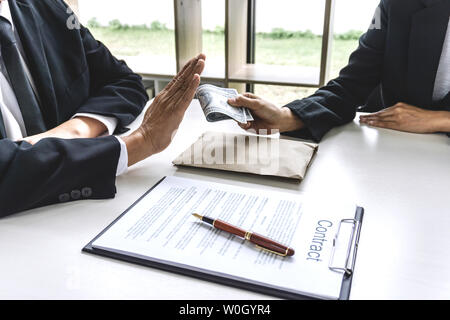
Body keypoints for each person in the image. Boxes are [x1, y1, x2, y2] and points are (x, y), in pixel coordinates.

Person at [0, 0, 205, 217]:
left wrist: (76, 130)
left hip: (74, 212)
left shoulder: (45, 6)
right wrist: (139, 143)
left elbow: (124, 81)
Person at [228, 0, 450, 141]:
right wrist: (287, 117)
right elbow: (352, 84)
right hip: (397, 157)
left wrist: (440, 120)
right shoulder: (395, 5)